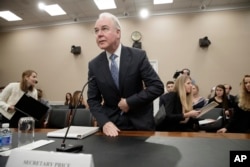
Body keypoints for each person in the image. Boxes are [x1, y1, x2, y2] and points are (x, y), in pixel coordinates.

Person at [87, 12, 164, 137]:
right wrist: (105, 122)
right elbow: (93, 100)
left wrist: (130, 102)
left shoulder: (138, 56)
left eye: (104, 29)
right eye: (96, 31)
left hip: (141, 126)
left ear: (118, 33)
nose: (99, 34)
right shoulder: (94, 65)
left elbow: (157, 87)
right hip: (112, 128)